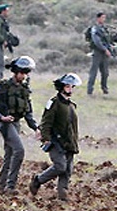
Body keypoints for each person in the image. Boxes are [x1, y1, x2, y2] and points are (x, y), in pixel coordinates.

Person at [0, 56, 40, 194]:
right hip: (5, 124)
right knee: (19, 151)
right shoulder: (2, 87)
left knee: (9, 155)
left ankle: (1, 187)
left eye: (26, 73)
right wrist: (2, 117)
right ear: (16, 72)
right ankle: (10, 186)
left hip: (15, 124)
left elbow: (28, 113)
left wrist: (36, 128)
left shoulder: (24, 90)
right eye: (22, 72)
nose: (24, 76)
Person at [29, 73, 82, 201]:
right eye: (68, 86)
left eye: (72, 87)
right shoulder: (54, 103)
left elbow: (73, 127)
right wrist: (45, 138)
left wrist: (74, 143)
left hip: (69, 143)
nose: (70, 89)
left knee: (67, 171)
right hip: (55, 142)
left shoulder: (72, 106)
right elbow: (46, 122)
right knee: (60, 166)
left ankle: (62, 195)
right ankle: (38, 180)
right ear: (62, 87)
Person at [87, 12, 114, 95]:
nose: (104, 19)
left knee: (105, 72)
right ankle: (90, 90)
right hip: (97, 52)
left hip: (105, 53)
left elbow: (107, 39)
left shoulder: (104, 29)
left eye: (104, 18)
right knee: (93, 72)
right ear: (98, 18)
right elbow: (97, 41)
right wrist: (105, 49)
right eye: (102, 17)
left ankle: (104, 88)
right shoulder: (95, 28)